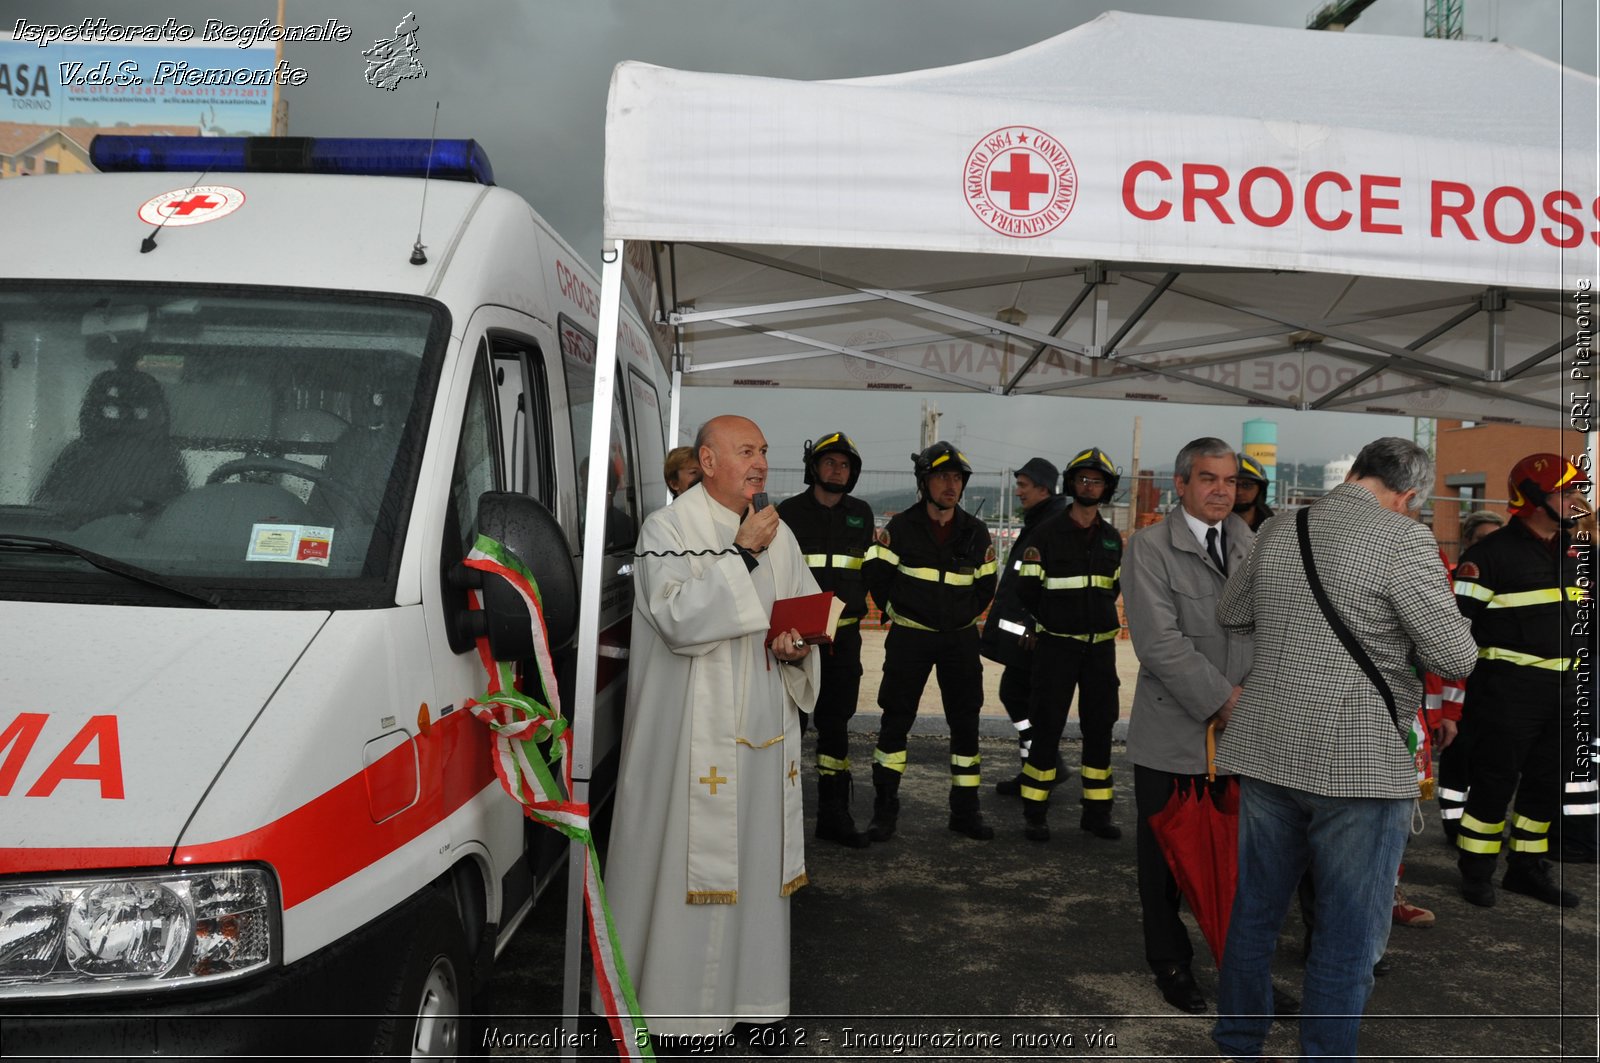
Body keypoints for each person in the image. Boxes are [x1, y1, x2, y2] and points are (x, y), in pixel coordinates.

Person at [1211, 437, 1476, 1063]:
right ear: (1408, 493)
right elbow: (1454, 657)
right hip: (1357, 761)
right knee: (1348, 931)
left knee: (1255, 911)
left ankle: (1238, 1041)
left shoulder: (1281, 525)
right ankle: (1325, 1053)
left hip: (1267, 744)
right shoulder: (1403, 540)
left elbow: (1232, 614)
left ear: (1356, 471)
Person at [602, 414, 821, 1042]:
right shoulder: (667, 528)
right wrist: (743, 553)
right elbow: (677, 619)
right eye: (746, 450)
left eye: (764, 450)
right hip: (688, 744)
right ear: (707, 460)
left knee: (753, 866)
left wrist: (796, 647)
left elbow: (803, 612)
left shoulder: (778, 531)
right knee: (680, 868)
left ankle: (752, 1003)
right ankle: (675, 1013)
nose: (759, 462)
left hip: (760, 736)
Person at [1121, 437, 1255, 1014]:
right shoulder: (1149, 548)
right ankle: (1171, 964)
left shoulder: (1255, 543)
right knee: (1165, 864)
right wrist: (1226, 702)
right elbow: (1159, 643)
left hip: (1247, 737)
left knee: (1241, 863)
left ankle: (1244, 970)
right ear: (1181, 485)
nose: (1221, 490)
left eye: (1229, 480)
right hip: (1174, 736)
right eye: (1208, 478)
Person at [1452, 453, 1593, 904]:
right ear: (1533, 497)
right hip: (1507, 692)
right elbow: (1453, 630)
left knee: (1546, 782)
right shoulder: (1488, 556)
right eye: (1568, 492)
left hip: (1568, 692)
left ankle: (1526, 868)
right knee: (1495, 781)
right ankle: (1476, 869)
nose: (1578, 500)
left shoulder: (1580, 553)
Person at [863, 441, 998, 841]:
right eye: (942, 477)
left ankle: (965, 811)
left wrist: (960, 618)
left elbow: (986, 585)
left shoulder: (976, 533)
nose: (950, 485)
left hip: (959, 642)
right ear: (924, 482)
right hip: (909, 640)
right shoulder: (901, 528)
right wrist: (900, 613)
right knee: (895, 724)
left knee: (966, 725)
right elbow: (878, 578)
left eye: (956, 478)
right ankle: (884, 811)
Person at [1013, 447, 1124, 842]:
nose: (1089, 486)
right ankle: (1035, 813)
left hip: (1099, 651)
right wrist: (1054, 621)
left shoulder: (1112, 540)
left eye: (1096, 480)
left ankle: (1097, 813)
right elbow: (1026, 589)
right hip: (1056, 648)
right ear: (1071, 484)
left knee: (1100, 729)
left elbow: (1113, 590)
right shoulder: (1045, 534)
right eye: (1083, 479)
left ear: (1107, 488)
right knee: (1047, 728)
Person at [777, 430, 876, 849]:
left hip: (844, 640)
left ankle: (834, 815)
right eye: (829, 462)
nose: (837, 470)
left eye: (845, 464)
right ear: (813, 468)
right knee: (790, 726)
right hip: (798, 641)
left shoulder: (863, 513)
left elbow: (869, 569)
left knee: (836, 727)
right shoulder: (788, 513)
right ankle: (779, 815)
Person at [980, 456, 1067, 796]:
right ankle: (1036, 768)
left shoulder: (1051, 525)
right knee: (1020, 696)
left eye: (1023, 486)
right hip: (1030, 638)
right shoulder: (1040, 521)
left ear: (1043, 488)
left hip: (1040, 640)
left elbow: (1054, 584)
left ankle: (1044, 767)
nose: (1018, 492)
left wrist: (1035, 622)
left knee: (1021, 697)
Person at [1232, 452, 1275, 530]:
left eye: (1247, 485)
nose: (1239, 492)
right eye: (1233, 485)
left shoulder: (1273, 527)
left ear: (1260, 489)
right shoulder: (1211, 526)